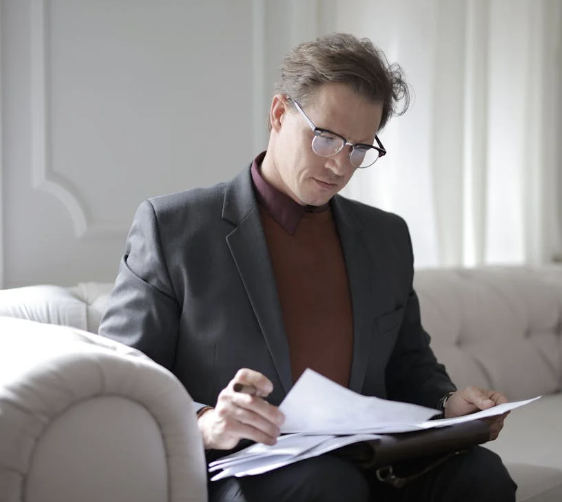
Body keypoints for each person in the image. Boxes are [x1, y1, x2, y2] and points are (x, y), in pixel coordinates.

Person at [99, 32, 516, 502]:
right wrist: (206, 422)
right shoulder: (174, 228)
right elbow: (123, 380)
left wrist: (449, 404)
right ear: (279, 114)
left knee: (481, 473)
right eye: (326, 138)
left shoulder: (386, 237)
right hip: (245, 463)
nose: (340, 165)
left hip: (369, 457)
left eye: (360, 148)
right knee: (325, 488)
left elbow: (408, 363)